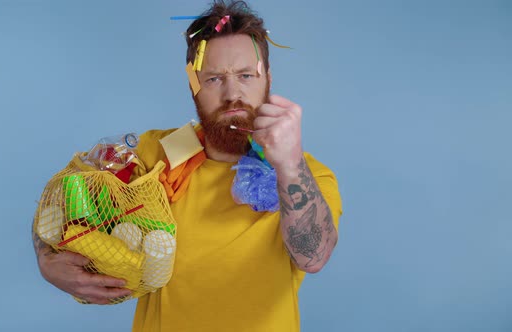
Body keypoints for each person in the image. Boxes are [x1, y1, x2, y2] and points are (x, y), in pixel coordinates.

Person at [32, 1, 342, 331]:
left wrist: (289, 165)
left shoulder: (305, 174)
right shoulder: (154, 153)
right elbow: (60, 200)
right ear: (193, 85)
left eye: (246, 75)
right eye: (213, 79)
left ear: (267, 79)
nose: (232, 93)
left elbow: (314, 257)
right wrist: (47, 260)